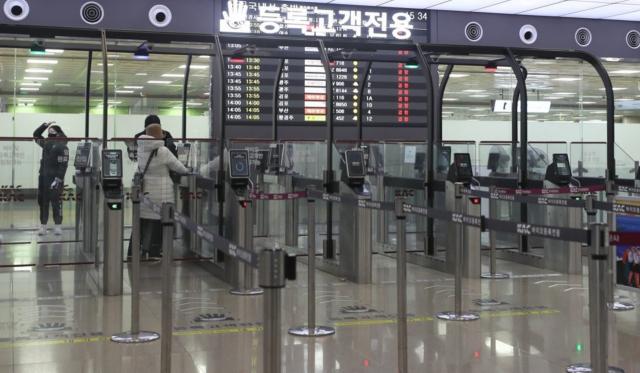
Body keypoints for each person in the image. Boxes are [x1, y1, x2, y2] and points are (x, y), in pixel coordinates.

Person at [130, 124, 188, 259]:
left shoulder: (141, 149)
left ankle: (140, 249)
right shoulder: (163, 151)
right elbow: (179, 167)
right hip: (162, 191)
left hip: (146, 190)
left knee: (146, 220)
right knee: (158, 222)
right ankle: (154, 251)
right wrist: (188, 171)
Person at [33, 122, 69, 236]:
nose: (50, 132)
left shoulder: (62, 146)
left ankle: (58, 226)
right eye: (49, 130)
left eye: (52, 130)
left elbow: (64, 163)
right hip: (43, 177)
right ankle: (43, 226)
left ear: (58, 133)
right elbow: (36, 135)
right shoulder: (46, 143)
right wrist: (44, 125)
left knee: (56, 202)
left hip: (55, 178)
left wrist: (60, 177)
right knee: (43, 202)